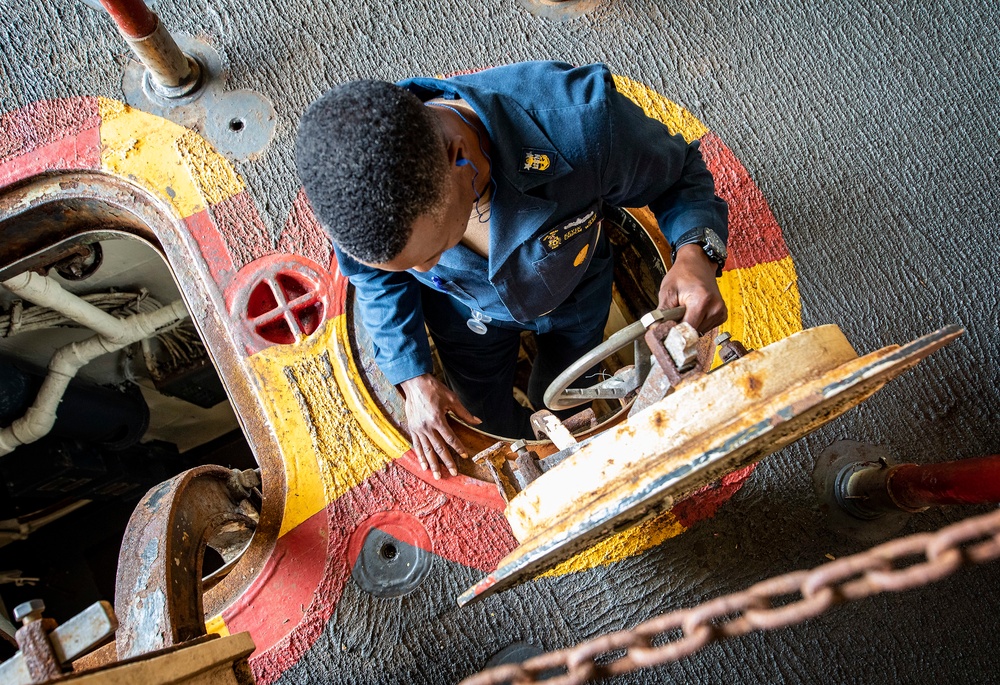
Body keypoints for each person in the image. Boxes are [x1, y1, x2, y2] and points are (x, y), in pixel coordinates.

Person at [295, 61, 729, 480]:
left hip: (576, 291)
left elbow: (680, 176)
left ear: (458, 158)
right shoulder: (354, 188)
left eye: (433, 251)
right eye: (412, 266)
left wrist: (695, 254)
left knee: (564, 395)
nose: (424, 270)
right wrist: (411, 374)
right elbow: (374, 276)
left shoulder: (583, 125)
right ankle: (522, 430)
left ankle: (554, 420)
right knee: (482, 407)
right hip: (467, 316)